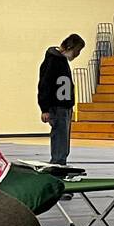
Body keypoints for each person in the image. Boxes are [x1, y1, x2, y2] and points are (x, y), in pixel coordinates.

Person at [38, 34, 85, 165]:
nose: (77, 54)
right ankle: (58, 161)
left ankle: (61, 160)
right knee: (59, 135)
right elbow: (44, 85)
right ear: (70, 47)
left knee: (64, 136)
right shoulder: (53, 60)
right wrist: (45, 109)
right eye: (77, 51)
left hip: (64, 106)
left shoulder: (61, 60)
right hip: (57, 106)